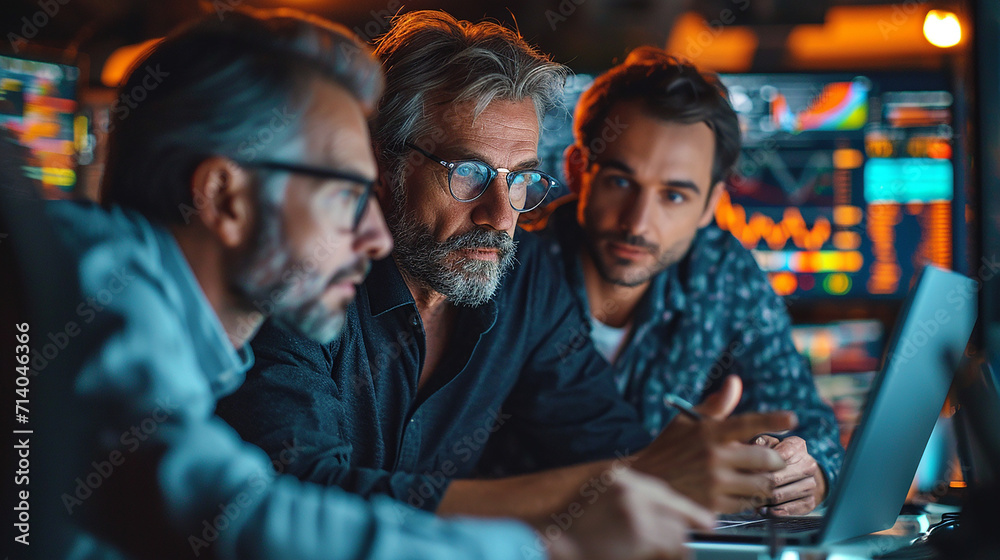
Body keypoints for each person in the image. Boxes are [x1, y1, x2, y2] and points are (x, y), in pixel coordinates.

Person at [33, 9, 710, 560]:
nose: (374, 234)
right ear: (223, 196)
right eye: (347, 193)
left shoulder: (176, 328)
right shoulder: (85, 288)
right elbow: (249, 514)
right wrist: (547, 547)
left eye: (520, 183)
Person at [218, 9, 797, 525]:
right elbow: (303, 499)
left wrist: (744, 474)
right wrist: (619, 486)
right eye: (467, 172)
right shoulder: (295, 282)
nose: (500, 215)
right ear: (381, 162)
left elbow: (604, 446)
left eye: (520, 178)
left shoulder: (527, 282)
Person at [533, 47, 843, 515]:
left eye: (674, 195)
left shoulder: (723, 274)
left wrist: (806, 474)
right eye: (620, 181)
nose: (638, 222)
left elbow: (810, 425)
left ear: (710, 206)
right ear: (578, 170)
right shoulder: (512, 270)